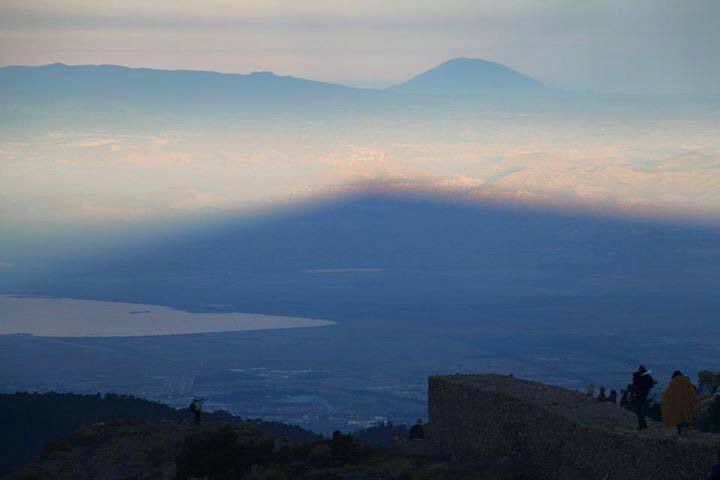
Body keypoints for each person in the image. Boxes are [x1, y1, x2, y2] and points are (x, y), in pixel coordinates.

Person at [661, 370, 699, 435]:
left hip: (677, 405)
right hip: (687, 404)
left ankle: (680, 432)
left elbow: (668, 394)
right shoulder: (687, 381)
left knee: (679, 418)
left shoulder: (673, 382)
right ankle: (687, 431)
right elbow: (693, 392)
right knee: (687, 417)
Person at [631, 365, 656, 431]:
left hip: (639, 396)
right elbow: (650, 384)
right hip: (642, 396)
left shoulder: (638, 377)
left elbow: (636, 386)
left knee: (639, 411)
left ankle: (642, 425)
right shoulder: (646, 378)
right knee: (639, 410)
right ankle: (643, 425)